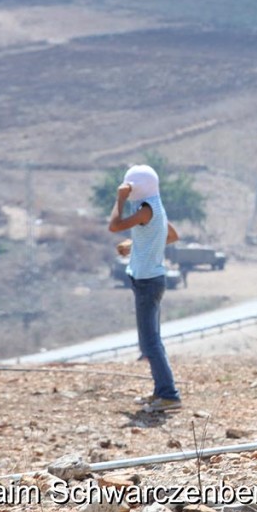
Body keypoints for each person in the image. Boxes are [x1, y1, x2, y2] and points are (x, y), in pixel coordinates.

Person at [108, 164, 183, 413]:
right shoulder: (155, 206)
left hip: (147, 281)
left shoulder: (144, 210)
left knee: (150, 343)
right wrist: (135, 245)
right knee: (151, 340)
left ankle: (169, 394)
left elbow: (114, 225)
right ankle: (160, 391)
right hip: (151, 279)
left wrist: (119, 198)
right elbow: (170, 235)